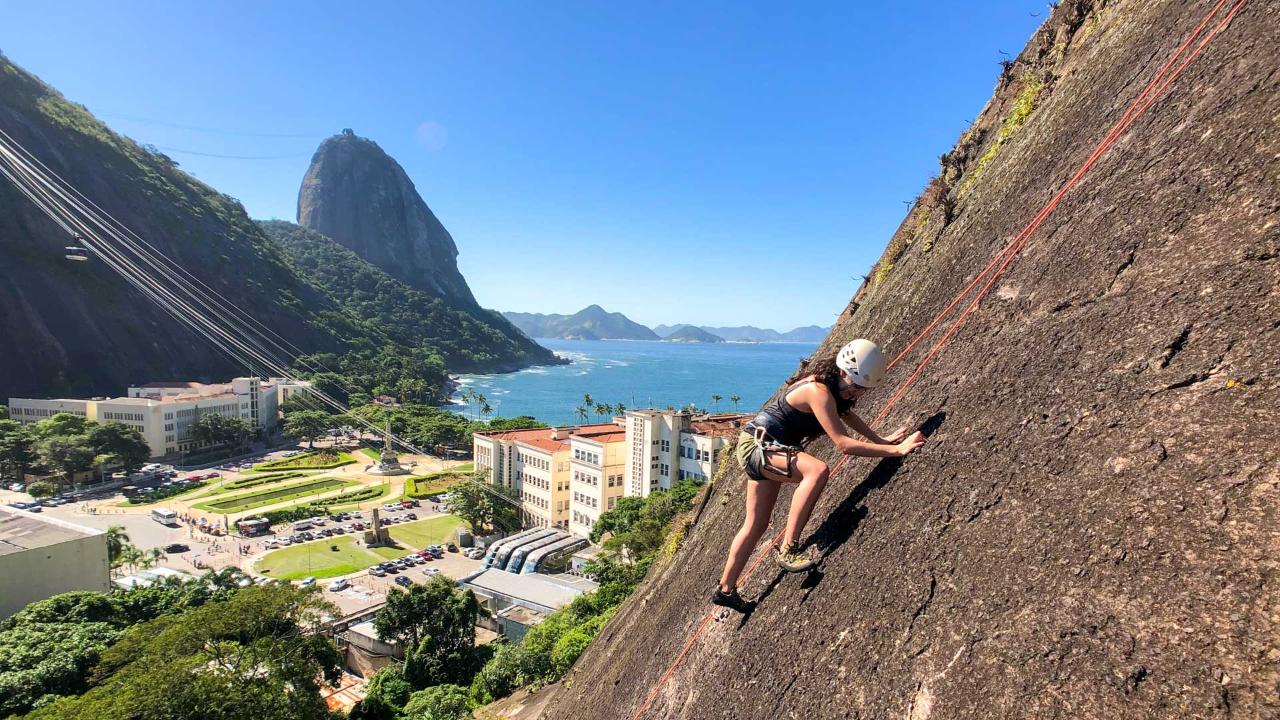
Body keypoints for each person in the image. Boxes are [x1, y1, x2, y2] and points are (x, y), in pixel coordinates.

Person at [712, 339, 926, 612]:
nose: (858, 394)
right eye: (857, 387)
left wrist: (882, 439)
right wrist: (895, 450)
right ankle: (789, 548)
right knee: (817, 471)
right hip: (761, 447)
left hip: (758, 445)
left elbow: (846, 416)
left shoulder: (834, 387)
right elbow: (842, 443)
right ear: (844, 373)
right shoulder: (819, 391)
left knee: (757, 523)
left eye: (863, 389)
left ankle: (725, 589)